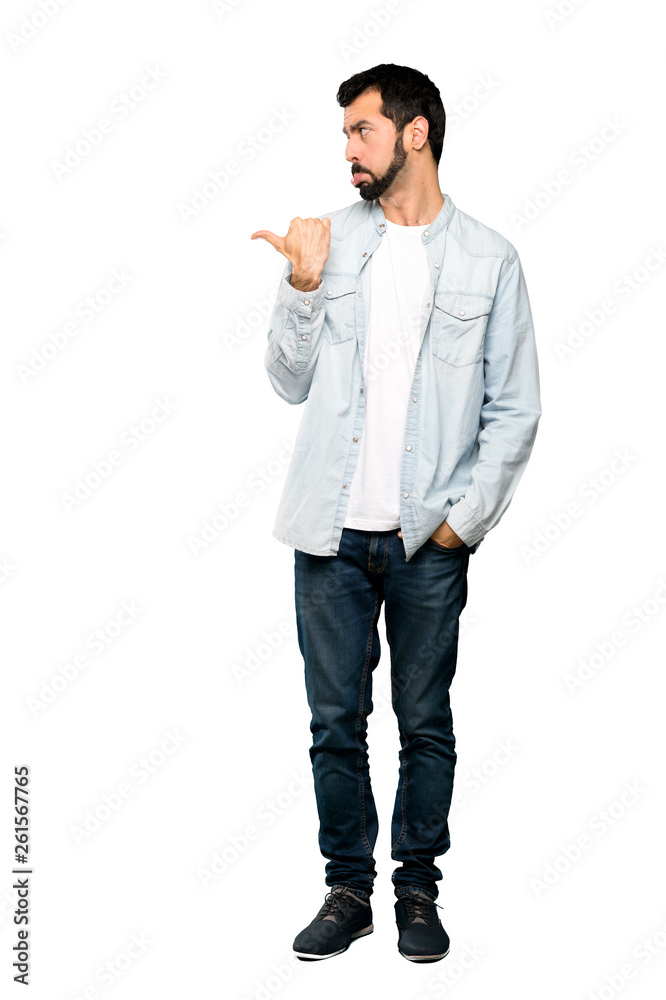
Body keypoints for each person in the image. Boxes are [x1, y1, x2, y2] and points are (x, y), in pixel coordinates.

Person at [251, 63, 542, 963]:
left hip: (428, 543)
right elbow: (287, 383)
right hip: (326, 537)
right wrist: (303, 288)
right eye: (344, 134)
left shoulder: (490, 258)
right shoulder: (325, 242)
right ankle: (348, 891)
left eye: (361, 131)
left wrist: (462, 523)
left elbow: (515, 407)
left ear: (414, 134)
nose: (347, 150)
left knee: (424, 724)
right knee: (333, 725)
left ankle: (415, 888)